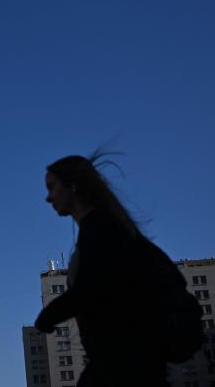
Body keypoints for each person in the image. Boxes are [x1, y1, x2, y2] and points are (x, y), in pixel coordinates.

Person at [35, 153, 169, 387]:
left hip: (122, 362)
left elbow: (93, 288)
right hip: (127, 361)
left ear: (73, 186)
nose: (48, 198)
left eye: (52, 187)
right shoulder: (109, 227)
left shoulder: (100, 230)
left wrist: (49, 315)